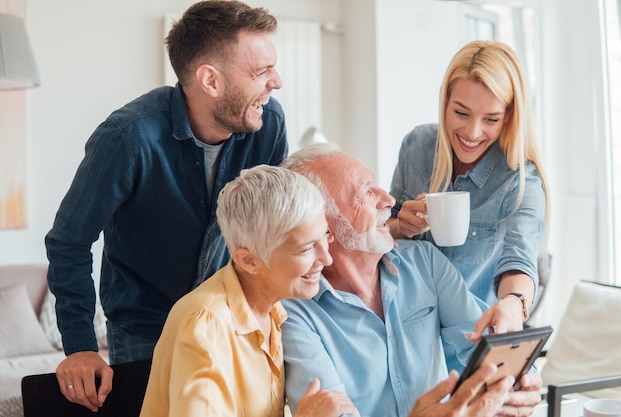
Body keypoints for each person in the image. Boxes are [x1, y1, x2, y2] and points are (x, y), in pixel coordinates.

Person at [45, 0, 286, 411]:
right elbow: (69, 241)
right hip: (145, 327)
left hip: (234, 320)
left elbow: (277, 224)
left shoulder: (267, 123)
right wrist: (80, 347)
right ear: (210, 79)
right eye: (261, 71)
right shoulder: (126, 138)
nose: (276, 82)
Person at [280, 143, 542, 417]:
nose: (390, 201)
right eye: (365, 194)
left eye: (376, 185)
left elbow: (483, 348)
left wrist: (518, 382)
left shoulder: (424, 262)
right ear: (323, 226)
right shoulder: (295, 312)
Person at [140, 165, 358, 417]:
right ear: (249, 261)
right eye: (306, 249)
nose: (327, 259)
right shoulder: (207, 325)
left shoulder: (273, 309)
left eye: (325, 235)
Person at [388, 40, 549, 367]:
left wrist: (513, 303)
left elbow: (519, 261)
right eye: (461, 113)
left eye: (490, 119)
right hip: (405, 347)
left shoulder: (521, 182)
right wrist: (398, 227)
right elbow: (380, 234)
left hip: (470, 353)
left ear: (508, 116)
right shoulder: (417, 147)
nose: (472, 132)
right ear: (444, 102)